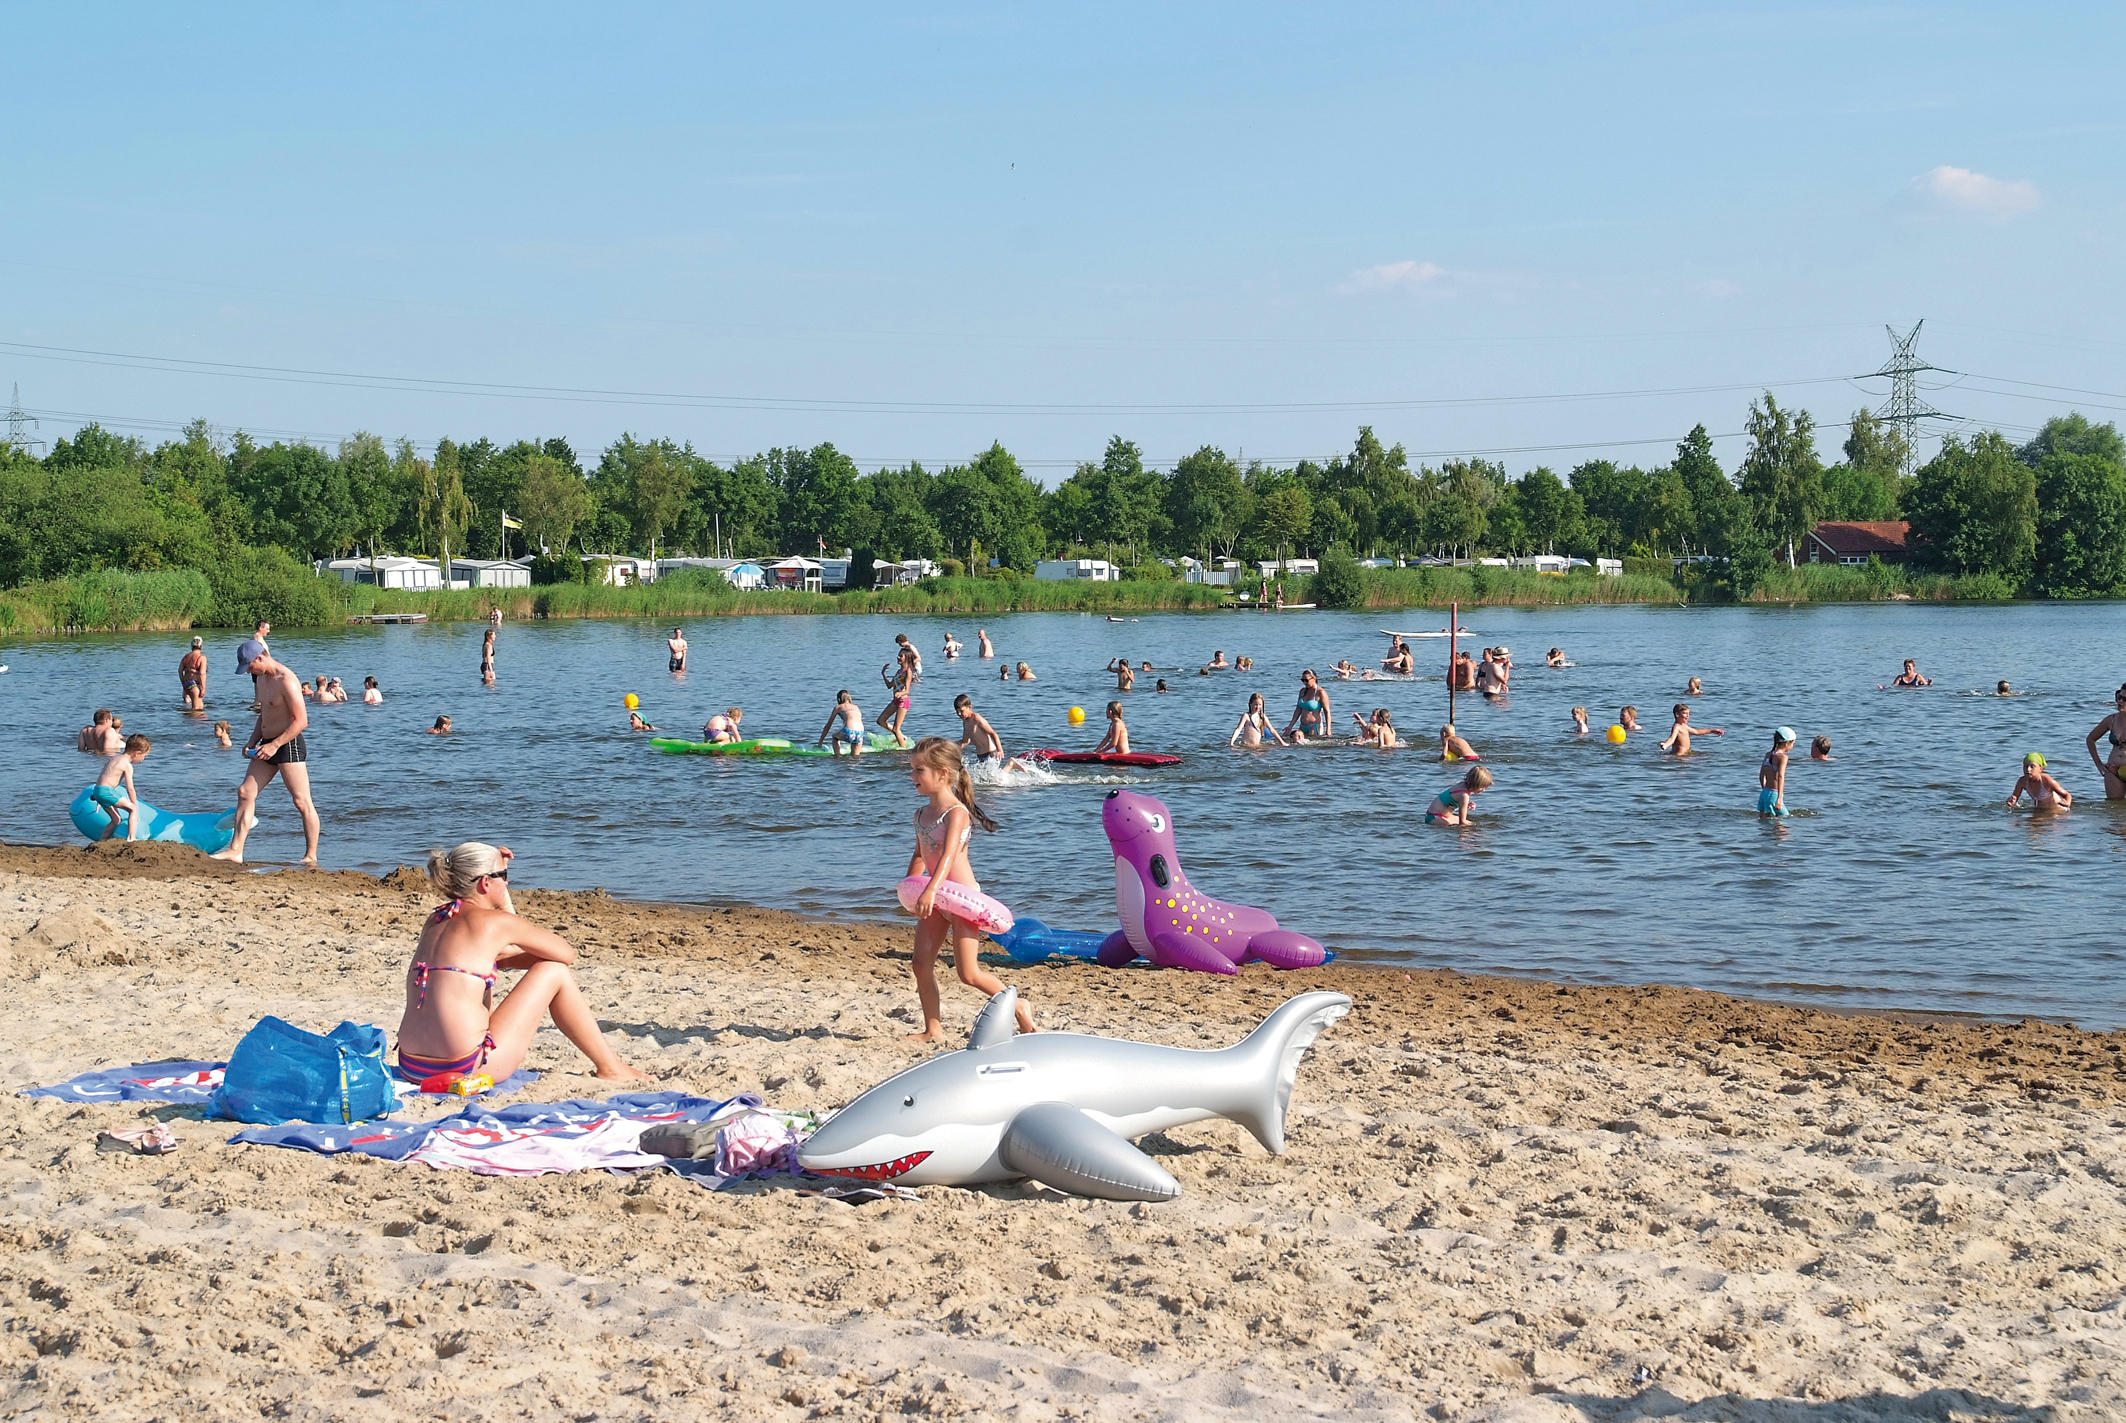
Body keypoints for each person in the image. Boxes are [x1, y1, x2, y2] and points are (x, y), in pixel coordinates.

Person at [395, 842, 648, 1086]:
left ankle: (611, 1067)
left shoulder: (436, 919)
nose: (507, 882)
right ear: (485, 882)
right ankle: (611, 1068)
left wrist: (497, 873)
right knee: (554, 971)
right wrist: (505, 904)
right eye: (503, 876)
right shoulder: (495, 922)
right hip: (463, 1067)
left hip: (412, 1066)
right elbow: (565, 953)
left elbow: (502, 953)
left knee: (541, 964)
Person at [902, 738, 1034, 1042]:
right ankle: (932, 1029)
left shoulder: (956, 813)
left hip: (961, 900)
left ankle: (1019, 1004)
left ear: (943, 773)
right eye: (912, 770)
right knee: (920, 964)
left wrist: (930, 890)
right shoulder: (921, 814)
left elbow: (948, 857)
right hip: (935, 898)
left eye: (919, 770)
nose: (913, 776)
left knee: (968, 973)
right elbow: (920, 854)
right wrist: (910, 889)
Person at [210, 646, 320, 867]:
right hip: (266, 744)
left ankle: (311, 856)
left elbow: (301, 721)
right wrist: (252, 741)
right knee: (245, 792)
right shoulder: (261, 679)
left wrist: (276, 745)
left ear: (260, 658)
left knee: (301, 802)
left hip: (288, 744)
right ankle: (236, 850)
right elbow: (264, 714)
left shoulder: (287, 680)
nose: (249, 671)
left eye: (250, 666)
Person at [91, 734, 152, 841]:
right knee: (132, 809)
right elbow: (130, 789)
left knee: (116, 820)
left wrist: (97, 796)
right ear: (137, 753)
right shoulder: (127, 765)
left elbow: (105, 776)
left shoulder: (114, 758)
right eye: (144, 756)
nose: (143, 759)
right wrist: (135, 807)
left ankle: (102, 841)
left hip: (97, 791)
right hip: (106, 792)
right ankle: (131, 837)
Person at [953, 693, 1032, 771]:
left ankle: (1011, 764)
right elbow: (965, 741)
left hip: (991, 753)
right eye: (957, 712)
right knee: (989, 779)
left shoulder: (976, 718)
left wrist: (999, 750)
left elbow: (993, 733)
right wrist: (952, 747)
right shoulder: (965, 722)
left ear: (969, 707)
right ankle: (1011, 765)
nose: (959, 714)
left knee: (995, 780)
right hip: (980, 756)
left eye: (961, 711)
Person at [2085, 685, 2126, 800]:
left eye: (2124, 699)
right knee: (2114, 809)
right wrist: (2099, 765)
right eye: (2119, 697)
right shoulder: (2111, 720)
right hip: (2112, 771)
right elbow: (2090, 739)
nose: (2120, 701)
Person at [1425, 766, 1492, 826]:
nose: (1484, 790)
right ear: (1475, 784)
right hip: (1435, 818)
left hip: (1434, 815)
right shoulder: (1464, 795)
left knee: (1468, 822)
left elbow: (1453, 800)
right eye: (1482, 787)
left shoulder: (1461, 786)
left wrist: (1467, 804)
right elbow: (1462, 822)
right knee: (1468, 826)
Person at [2006, 753, 2072, 810]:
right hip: (2039, 811)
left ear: (2041, 769)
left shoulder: (2047, 781)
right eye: (2026, 766)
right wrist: (2012, 801)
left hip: (2056, 811)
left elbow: (2067, 795)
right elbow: (2015, 796)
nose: (2028, 769)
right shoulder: (2022, 781)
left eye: (2032, 766)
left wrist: (2067, 802)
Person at [1285, 670, 1331, 743]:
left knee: (1311, 748)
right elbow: (1298, 709)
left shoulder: (1320, 692)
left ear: (1314, 679)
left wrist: (1328, 730)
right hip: (1302, 726)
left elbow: (1327, 712)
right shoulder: (1302, 692)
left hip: (1314, 726)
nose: (1304, 683)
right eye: (1302, 680)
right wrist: (1290, 726)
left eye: (1306, 680)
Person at [820, 690, 870, 757]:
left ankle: (838, 756)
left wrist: (820, 743)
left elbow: (828, 726)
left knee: (835, 737)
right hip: (860, 733)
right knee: (855, 758)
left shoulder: (838, 707)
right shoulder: (856, 707)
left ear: (839, 699)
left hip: (848, 731)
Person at [1659, 703, 1724, 755]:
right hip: (1679, 756)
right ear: (1677, 714)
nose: (1688, 716)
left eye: (1689, 714)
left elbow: (1696, 732)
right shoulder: (1677, 727)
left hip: (1685, 755)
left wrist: (1712, 731)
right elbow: (1672, 738)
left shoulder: (1684, 726)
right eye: (1685, 714)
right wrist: (1666, 745)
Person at [1758, 728, 1795, 818]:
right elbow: (1781, 777)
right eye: (1793, 743)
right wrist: (1779, 798)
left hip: (1764, 793)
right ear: (1786, 743)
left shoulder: (1768, 754)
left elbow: (1761, 774)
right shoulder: (1783, 757)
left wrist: (1764, 789)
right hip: (1774, 794)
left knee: (1766, 822)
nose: (1792, 746)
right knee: (1784, 823)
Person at [878, 663, 913, 746]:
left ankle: (903, 751)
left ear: (906, 658)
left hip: (903, 701)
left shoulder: (908, 671)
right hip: (895, 701)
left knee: (896, 729)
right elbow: (889, 685)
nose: (898, 657)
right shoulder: (898, 672)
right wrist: (883, 674)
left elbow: (907, 691)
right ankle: (901, 736)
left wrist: (900, 694)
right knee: (880, 721)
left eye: (901, 656)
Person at [179, 637, 207, 711]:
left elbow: (180, 670)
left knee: (200, 707)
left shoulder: (186, 657)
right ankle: (191, 722)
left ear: (191, 646)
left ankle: (189, 721)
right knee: (196, 709)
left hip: (186, 683)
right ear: (201, 646)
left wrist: (183, 682)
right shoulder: (202, 658)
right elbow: (202, 673)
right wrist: (203, 688)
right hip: (194, 684)